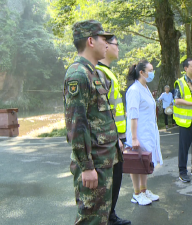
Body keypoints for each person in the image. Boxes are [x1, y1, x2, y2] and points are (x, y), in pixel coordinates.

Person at [63, 20, 121, 224]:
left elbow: (99, 116)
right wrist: (86, 166)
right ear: (90, 41)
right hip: (94, 163)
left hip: (104, 159)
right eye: (103, 39)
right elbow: (77, 126)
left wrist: (116, 142)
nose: (107, 44)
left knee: (100, 219)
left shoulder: (94, 72)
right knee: (90, 220)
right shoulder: (78, 75)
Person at [96, 35, 131, 225]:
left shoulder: (108, 73)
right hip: (110, 139)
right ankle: (106, 217)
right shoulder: (99, 73)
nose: (119, 48)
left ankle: (111, 215)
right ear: (107, 46)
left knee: (116, 179)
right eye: (117, 44)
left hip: (117, 138)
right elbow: (102, 111)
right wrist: (115, 137)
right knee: (109, 180)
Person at [125, 60, 163, 205]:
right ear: (142, 72)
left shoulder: (145, 88)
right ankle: (136, 193)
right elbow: (133, 114)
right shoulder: (134, 90)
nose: (152, 73)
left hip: (148, 131)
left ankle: (144, 190)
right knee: (135, 162)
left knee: (145, 161)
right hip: (138, 132)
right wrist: (134, 138)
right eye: (150, 70)